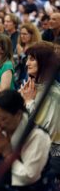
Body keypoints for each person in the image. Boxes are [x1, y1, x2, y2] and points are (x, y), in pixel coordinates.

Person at [19, 41, 60, 175]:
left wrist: (29, 103)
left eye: (32, 59)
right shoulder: (30, 87)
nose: (26, 64)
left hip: (50, 154)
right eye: (27, 59)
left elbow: (44, 133)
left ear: (44, 62)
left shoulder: (54, 95)